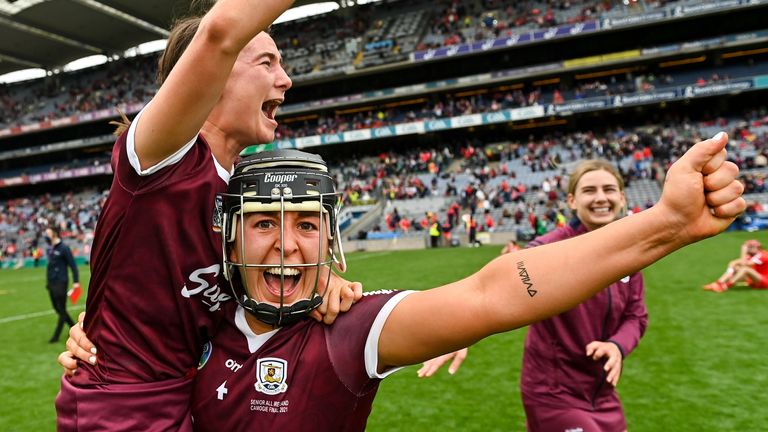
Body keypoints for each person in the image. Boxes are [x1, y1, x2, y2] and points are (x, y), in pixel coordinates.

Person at [67, 132, 744, 430]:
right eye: (264, 224)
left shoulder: (349, 328)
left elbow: (496, 291)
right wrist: (87, 342)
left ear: (329, 239)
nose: (286, 244)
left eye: (306, 223)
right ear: (231, 239)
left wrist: (666, 224)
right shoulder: (199, 330)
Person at [55, 1, 360, 431]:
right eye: (267, 62)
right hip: (122, 409)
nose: (285, 79)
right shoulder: (162, 156)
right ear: (214, 74)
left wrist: (325, 282)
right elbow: (219, 33)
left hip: (194, 397)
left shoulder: (245, 192)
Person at [44, 226, 79, 343]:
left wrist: (76, 282)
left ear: (54, 233)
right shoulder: (51, 248)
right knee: (56, 307)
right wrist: (48, 282)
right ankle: (74, 326)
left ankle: (56, 336)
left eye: (48, 233)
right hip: (52, 282)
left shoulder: (64, 248)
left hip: (61, 282)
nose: (45, 235)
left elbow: (73, 266)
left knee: (62, 309)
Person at [703, 239, 768, 292]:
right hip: (755, 280)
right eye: (748, 247)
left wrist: (743, 251)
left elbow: (744, 264)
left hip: (765, 281)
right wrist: (731, 269)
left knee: (745, 269)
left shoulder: (763, 255)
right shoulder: (753, 256)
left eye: (750, 247)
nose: (749, 249)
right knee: (736, 267)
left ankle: (725, 286)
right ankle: (719, 283)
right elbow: (733, 263)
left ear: (758, 247)